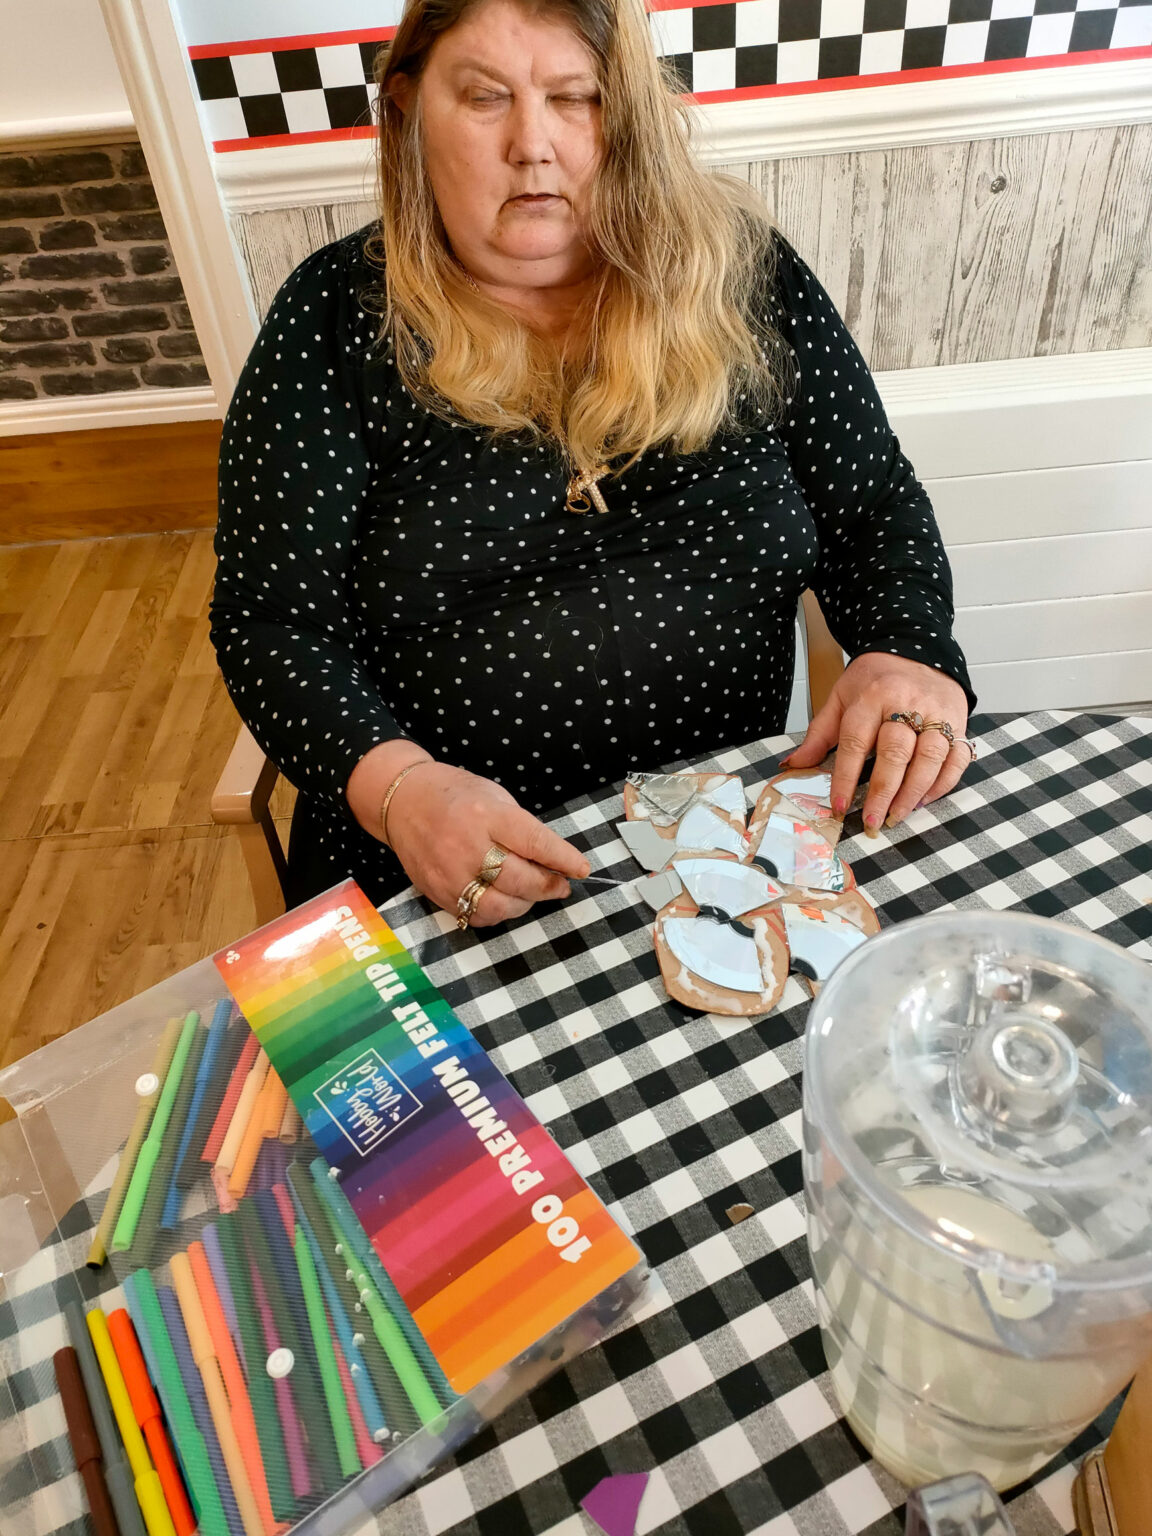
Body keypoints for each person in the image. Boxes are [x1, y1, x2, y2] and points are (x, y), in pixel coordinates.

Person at [210, 0, 976, 927]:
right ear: (407, 108)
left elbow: (873, 507)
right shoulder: (333, 319)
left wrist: (906, 649)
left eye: (578, 98)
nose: (533, 146)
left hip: (721, 846)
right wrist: (400, 789)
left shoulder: (743, 276)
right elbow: (270, 623)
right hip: (436, 866)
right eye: (485, 98)